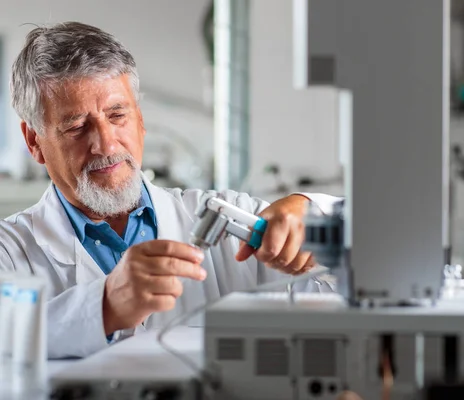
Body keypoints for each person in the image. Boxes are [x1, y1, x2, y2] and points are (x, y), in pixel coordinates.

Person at [1, 22, 339, 359]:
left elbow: (369, 272)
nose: (105, 144)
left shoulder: (228, 217)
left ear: (141, 121)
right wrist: (104, 306)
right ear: (34, 141)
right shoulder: (11, 249)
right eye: (76, 127)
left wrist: (311, 213)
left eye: (117, 115)